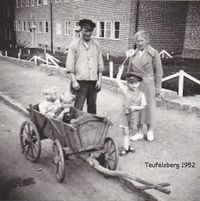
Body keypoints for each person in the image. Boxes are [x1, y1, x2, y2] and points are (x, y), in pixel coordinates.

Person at [126, 30, 163, 141]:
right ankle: (139, 131)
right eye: (138, 41)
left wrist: (157, 87)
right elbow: (129, 71)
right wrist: (128, 85)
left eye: (142, 40)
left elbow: (159, 72)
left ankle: (150, 130)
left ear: (147, 41)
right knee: (138, 108)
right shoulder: (133, 54)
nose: (140, 43)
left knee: (149, 107)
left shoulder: (153, 53)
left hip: (149, 84)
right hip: (136, 84)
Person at [66, 19, 104, 114]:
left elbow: (100, 65)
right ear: (81, 30)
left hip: (93, 83)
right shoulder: (74, 45)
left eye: (90, 31)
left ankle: (91, 127)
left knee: (92, 107)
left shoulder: (96, 45)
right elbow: (69, 66)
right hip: (80, 83)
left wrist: (99, 80)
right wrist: (74, 81)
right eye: (85, 30)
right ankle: (75, 127)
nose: (88, 33)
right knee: (78, 108)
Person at [116, 73, 147, 156]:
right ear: (128, 83)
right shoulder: (126, 90)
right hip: (125, 116)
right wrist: (120, 71)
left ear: (139, 83)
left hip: (134, 116)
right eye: (131, 83)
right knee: (126, 132)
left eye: (136, 83)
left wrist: (135, 107)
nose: (134, 85)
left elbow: (143, 106)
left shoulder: (141, 94)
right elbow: (117, 81)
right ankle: (125, 148)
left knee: (130, 132)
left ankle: (128, 145)